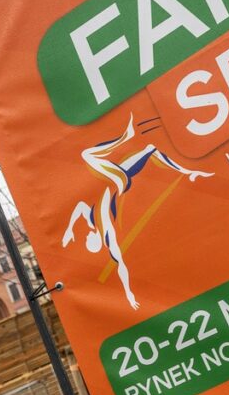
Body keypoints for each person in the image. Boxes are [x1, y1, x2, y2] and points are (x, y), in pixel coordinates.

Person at [62, 116, 211, 309]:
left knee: (149, 150)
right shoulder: (107, 234)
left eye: (87, 240)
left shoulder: (91, 220)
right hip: (119, 182)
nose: (88, 239)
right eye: (91, 243)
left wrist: (70, 230)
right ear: (98, 245)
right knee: (88, 156)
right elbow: (121, 267)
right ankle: (126, 137)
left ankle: (186, 171)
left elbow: (80, 207)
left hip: (119, 176)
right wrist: (129, 295)